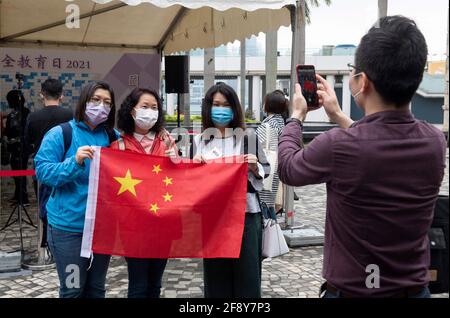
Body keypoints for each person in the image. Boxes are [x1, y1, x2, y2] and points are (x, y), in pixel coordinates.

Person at [278, 16, 447, 298]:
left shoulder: (338, 145)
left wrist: (296, 116)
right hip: (414, 290)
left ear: (363, 81)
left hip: (354, 291)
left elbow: (288, 168)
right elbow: (376, 141)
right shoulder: (434, 141)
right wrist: (338, 115)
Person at [34, 81, 118, 298]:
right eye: (96, 100)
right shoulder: (60, 134)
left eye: (107, 102)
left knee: (96, 288)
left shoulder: (112, 137)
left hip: (101, 229)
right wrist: (75, 162)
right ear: (84, 102)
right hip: (68, 230)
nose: (101, 106)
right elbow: (43, 172)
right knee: (72, 289)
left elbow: (137, 159)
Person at [191, 82, 270, 298]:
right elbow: (192, 184)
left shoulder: (248, 137)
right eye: (216, 104)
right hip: (213, 218)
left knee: (248, 277)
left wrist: (255, 167)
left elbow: (266, 171)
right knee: (216, 278)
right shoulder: (199, 141)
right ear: (208, 107)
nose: (221, 109)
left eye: (226, 104)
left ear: (234, 108)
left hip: (245, 215)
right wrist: (193, 167)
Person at [110, 87, 178, 298]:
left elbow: (179, 182)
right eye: (145, 107)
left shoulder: (167, 141)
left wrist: (176, 160)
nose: (150, 111)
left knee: (155, 284)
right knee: (138, 285)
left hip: (163, 224)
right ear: (132, 111)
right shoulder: (118, 146)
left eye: (154, 107)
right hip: (134, 228)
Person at [24, 79, 73, 247]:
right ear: (62, 95)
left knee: (44, 205)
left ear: (41, 95)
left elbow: (27, 142)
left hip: (44, 169)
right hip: (67, 169)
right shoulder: (69, 115)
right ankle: (59, 240)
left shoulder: (33, 117)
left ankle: (45, 240)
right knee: (65, 203)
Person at [256, 90, 288, 216]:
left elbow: (257, 147)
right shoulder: (282, 123)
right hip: (276, 171)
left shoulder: (268, 125)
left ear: (268, 105)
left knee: (264, 208)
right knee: (270, 206)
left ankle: (270, 234)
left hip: (266, 170)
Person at [5, 90, 30, 205]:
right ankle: (18, 195)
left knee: (19, 173)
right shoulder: (22, 112)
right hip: (19, 147)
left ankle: (23, 198)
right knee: (18, 172)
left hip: (18, 148)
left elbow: (12, 130)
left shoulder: (17, 114)